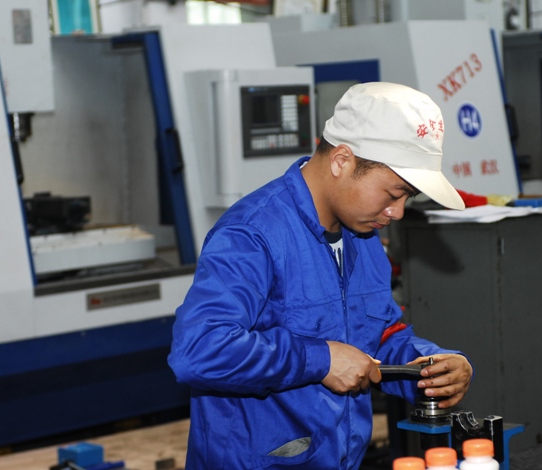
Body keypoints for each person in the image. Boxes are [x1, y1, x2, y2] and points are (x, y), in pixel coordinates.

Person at [168, 81, 473, 469]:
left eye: (407, 198)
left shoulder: (363, 237)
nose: (397, 212)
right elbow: (198, 350)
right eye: (393, 193)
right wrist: (320, 360)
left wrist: (430, 366)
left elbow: (376, 337)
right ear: (342, 160)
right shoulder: (253, 234)